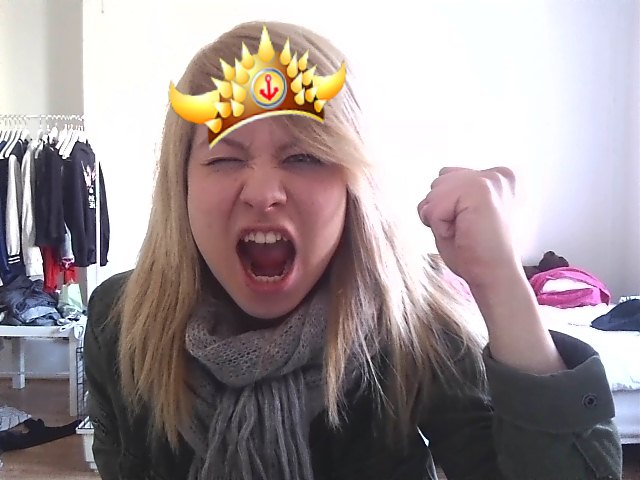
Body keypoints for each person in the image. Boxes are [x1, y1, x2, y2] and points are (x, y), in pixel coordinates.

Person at [84, 20, 622, 480]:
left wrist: (500, 280)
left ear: (353, 187)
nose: (264, 193)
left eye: (304, 157)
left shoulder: (415, 329)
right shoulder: (122, 322)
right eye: (225, 158)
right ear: (180, 186)